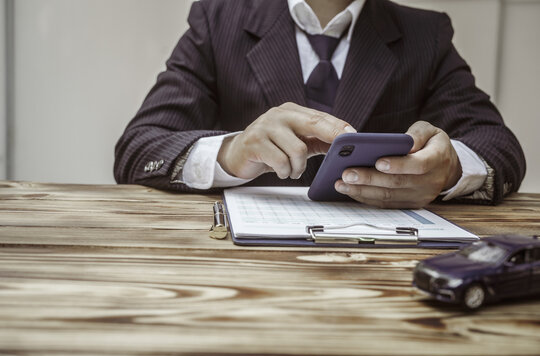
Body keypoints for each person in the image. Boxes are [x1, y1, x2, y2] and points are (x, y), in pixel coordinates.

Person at [114, 0, 526, 208]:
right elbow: (139, 148)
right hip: (239, 264)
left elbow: (498, 146)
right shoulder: (217, 19)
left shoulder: (426, 34)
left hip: (385, 271)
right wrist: (231, 151)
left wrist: (449, 167)